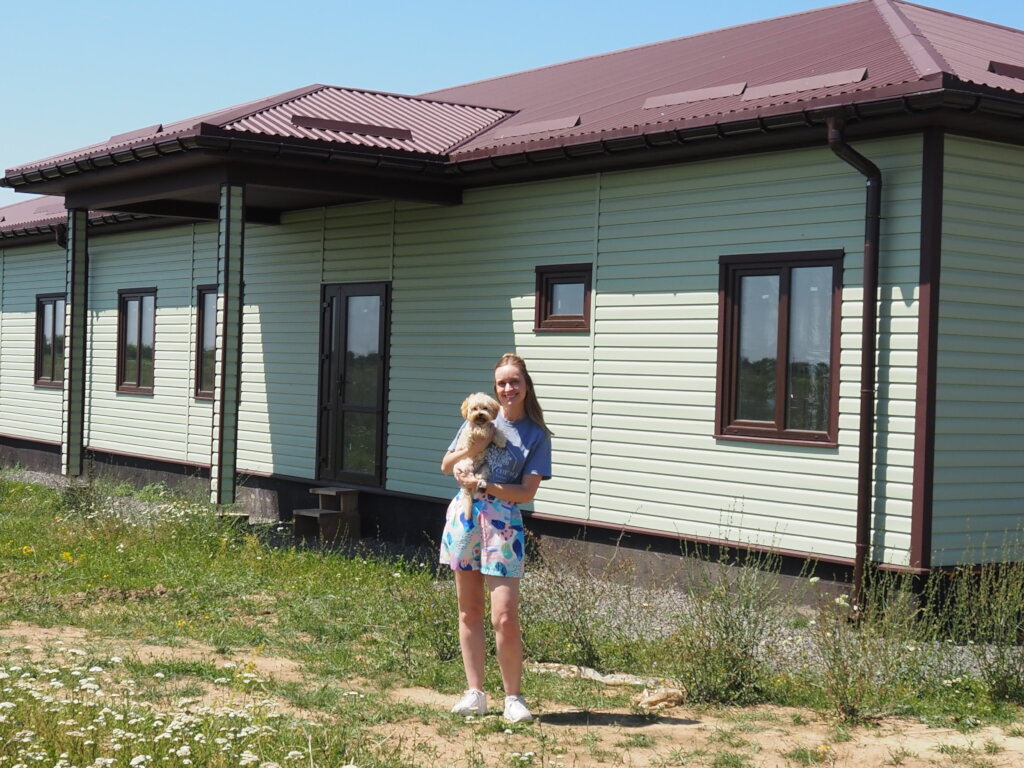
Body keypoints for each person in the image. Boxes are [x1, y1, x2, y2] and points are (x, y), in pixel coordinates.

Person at [439, 353, 552, 723]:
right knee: (468, 610)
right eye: (502, 383)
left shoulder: (536, 435)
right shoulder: (480, 418)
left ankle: (513, 698)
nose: (508, 388)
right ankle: (475, 693)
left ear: (526, 386)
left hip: (504, 525)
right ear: (495, 389)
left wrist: (484, 484)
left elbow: (526, 493)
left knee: (504, 615)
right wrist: (471, 452)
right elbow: (446, 465)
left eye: (514, 382)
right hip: (466, 517)